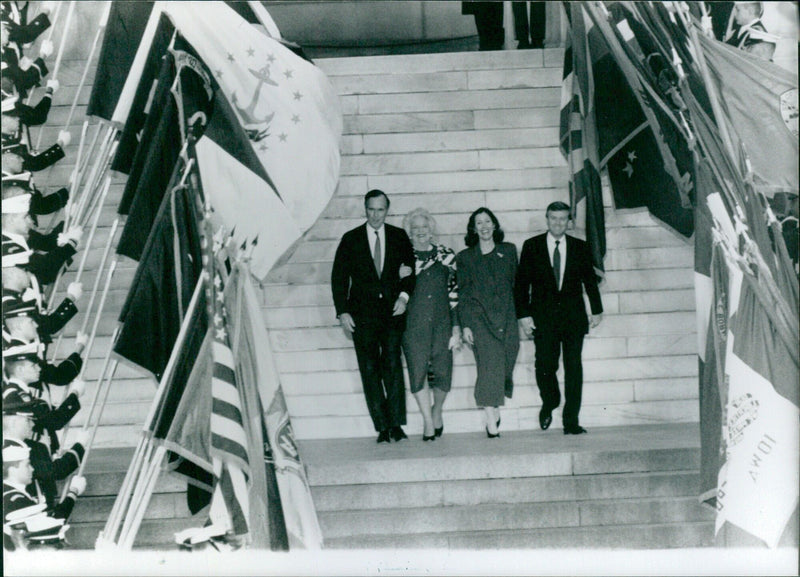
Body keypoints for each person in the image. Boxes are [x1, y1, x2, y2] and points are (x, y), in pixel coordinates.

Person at [331, 189, 416, 444]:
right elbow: (338, 278)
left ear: (387, 210)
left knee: (392, 367)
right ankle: (381, 426)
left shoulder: (399, 236)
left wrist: (403, 298)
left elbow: (410, 273)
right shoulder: (351, 239)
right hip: (362, 317)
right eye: (371, 209)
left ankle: (397, 424)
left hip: (392, 314)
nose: (376, 214)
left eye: (380, 209)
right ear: (365, 209)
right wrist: (343, 311)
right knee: (369, 370)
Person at [515, 201, 603, 435]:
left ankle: (571, 421)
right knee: (545, 365)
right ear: (547, 219)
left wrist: (597, 309)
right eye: (553, 218)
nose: (558, 223)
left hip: (573, 318)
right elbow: (522, 284)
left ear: (569, 221)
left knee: (574, 368)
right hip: (543, 319)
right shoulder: (531, 246)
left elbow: (590, 282)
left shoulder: (580, 247)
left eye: (562, 219)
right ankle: (550, 401)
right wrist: (523, 315)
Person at [456, 207, 519, 438]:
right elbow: (463, 294)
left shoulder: (509, 251)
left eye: (487, 221)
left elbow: (517, 284)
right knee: (488, 366)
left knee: (506, 361)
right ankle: (491, 419)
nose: (483, 226)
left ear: (494, 225)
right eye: (478, 223)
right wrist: (466, 325)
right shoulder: (465, 257)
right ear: (473, 228)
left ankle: (493, 404)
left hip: (507, 317)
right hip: (479, 319)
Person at [401, 208, 460, 441]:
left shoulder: (447, 255)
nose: (420, 232)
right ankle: (427, 420)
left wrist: (456, 326)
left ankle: (437, 410)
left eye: (424, 227)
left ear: (431, 229)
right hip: (412, 326)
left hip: (443, 323)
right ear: (409, 232)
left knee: (444, 373)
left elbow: (455, 293)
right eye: (415, 229)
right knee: (417, 373)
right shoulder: (402, 258)